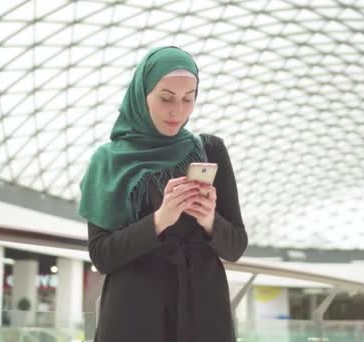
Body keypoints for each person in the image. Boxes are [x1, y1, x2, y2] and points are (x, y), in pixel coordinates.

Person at [78, 46, 247, 342]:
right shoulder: (108, 160)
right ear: (142, 94)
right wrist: (160, 219)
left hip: (203, 314)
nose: (177, 111)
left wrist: (209, 219)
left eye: (188, 98)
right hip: (133, 317)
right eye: (166, 98)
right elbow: (102, 255)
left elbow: (235, 247)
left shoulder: (210, 151)